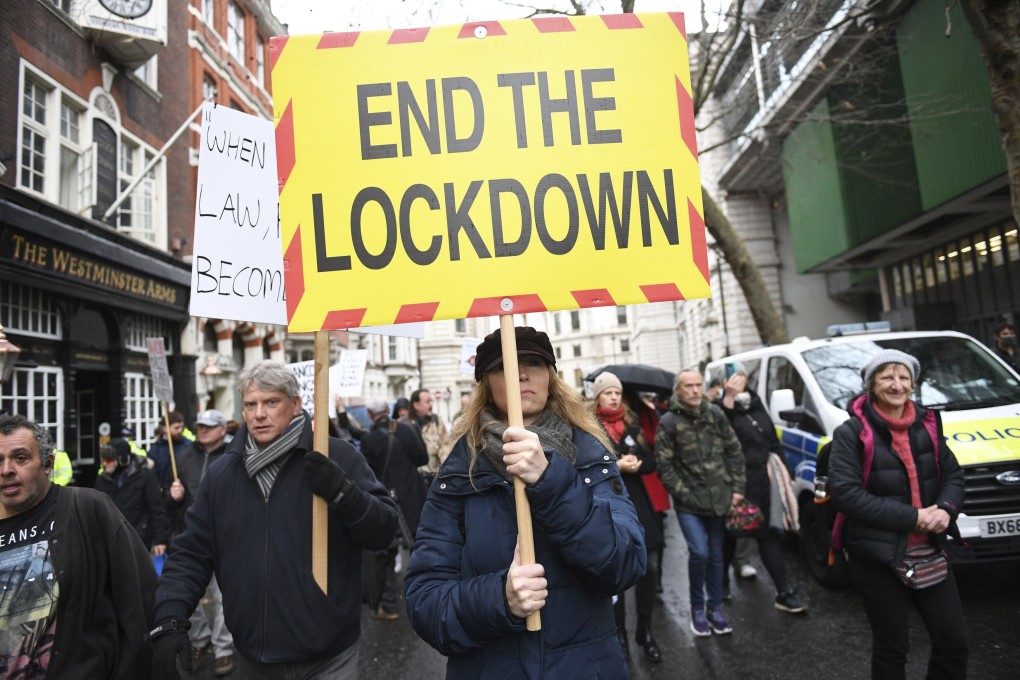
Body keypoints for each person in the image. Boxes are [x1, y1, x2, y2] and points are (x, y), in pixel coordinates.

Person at [404, 326, 646, 678]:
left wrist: (553, 482)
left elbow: (624, 565)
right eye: (504, 366)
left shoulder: (591, 454)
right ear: (487, 383)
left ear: (550, 376)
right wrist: (499, 599)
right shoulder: (459, 470)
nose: (521, 373)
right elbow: (425, 601)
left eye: (533, 362)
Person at [151, 360, 399, 679]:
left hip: (328, 654)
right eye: (251, 404)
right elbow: (192, 553)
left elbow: (383, 531)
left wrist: (343, 493)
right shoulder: (223, 474)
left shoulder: (336, 457)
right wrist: (170, 618)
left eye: (271, 402)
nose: (259, 414)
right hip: (254, 656)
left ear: (295, 404)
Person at [829, 350, 967, 679]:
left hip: (930, 550)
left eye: (903, 377)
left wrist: (946, 510)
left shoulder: (928, 425)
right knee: (893, 648)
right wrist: (915, 517)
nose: (897, 384)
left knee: (953, 643)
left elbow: (953, 475)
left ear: (913, 384)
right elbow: (846, 494)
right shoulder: (851, 432)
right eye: (887, 377)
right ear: (871, 385)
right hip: (878, 556)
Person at [0, 413, 157, 678]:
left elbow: (141, 602)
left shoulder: (87, 509)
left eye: (20, 458)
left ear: (47, 463)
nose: (6, 470)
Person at [655, 369, 745, 637]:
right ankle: (697, 607)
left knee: (717, 556)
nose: (695, 390)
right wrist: (684, 493)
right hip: (690, 503)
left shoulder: (715, 415)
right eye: (689, 386)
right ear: (679, 391)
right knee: (700, 553)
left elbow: (734, 449)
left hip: (720, 499)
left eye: (698, 385)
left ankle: (715, 607)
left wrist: (737, 489)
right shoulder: (669, 422)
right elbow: (664, 467)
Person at [715, 365, 806, 613]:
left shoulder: (756, 403)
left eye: (741, 376)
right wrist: (729, 398)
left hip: (763, 482)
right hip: (735, 483)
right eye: (731, 376)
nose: (736, 380)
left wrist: (786, 473)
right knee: (731, 535)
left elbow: (772, 442)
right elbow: (722, 431)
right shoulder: (719, 408)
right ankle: (721, 585)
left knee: (768, 535)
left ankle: (783, 592)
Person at [591, 372, 663, 663]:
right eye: (608, 392)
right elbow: (584, 467)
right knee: (617, 574)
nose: (614, 396)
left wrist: (637, 462)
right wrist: (615, 466)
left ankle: (645, 630)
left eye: (617, 392)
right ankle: (618, 634)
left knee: (649, 568)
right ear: (597, 396)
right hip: (608, 506)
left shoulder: (631, 426)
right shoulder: (589, 428)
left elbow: (652, 462)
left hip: (639, 506)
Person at [166, 409, 235, 677]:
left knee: (222, 597)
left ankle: (223, 648)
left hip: (225, 537)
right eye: (200, 426)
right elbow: (165, 501)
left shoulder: (233, 458)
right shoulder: (183, 457)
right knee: (185, 595)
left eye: (208, 426)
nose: (202, 430)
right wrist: (173, 496)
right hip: (190, 536)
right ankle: (200, 639)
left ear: (222, 429)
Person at [359, 398, 428, 621]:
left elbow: (368, 474)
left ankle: (389, 604)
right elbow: (422, 458)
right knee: (420, 550)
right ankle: (426, 598)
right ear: (388, 411)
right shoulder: (408, 430)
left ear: (370, 416)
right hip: (414, 499)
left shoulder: (369, 440)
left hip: (388, 501)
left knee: (387, 553)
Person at [94, 438, 170, 557]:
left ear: (122, 459)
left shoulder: (145, 475)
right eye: (103, 460)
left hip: (141, 538)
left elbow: (157, 508)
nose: (104, 464)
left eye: (108, 460)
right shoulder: (102, 479)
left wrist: (160, 540)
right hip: (112, 540)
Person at [148, 411, 193, 490]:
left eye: (181, 427)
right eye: (176, 428)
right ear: (165, 428)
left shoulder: (189, 446)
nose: (180, 431)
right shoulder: (155, 449)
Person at [407, 389, 449, 473]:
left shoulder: (436, 421)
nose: (431, 404)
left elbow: (445, 444)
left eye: (431, 401)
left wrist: (444, 455)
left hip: (433, 476)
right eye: (427, 402)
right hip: (414, 478)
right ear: (416, 405)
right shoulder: (405, 425)